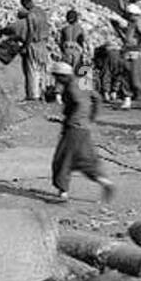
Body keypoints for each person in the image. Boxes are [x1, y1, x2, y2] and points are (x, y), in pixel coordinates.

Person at [47, 61, 115, 204]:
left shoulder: (71, 87)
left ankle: (63, 193)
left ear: (63, 76)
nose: (56, 80)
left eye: (57, 77)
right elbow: (96, 98)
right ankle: (106, 183)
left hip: (74, 128)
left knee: (62, 159)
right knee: (85, 160)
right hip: (84, 127)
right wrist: (91, 117)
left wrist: (72, 119)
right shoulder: (83, 81)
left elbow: (79, 103)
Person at [18, 0, 52, 102]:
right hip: (43, 43)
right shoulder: (42, 12)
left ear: (26, 3)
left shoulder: (30, 15)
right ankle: (44, 93)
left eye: (24, 5)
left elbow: (31, 32)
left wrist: (25, 46)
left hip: (34, 44)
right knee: (43, 70)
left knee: (33, 70)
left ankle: (34, 96)